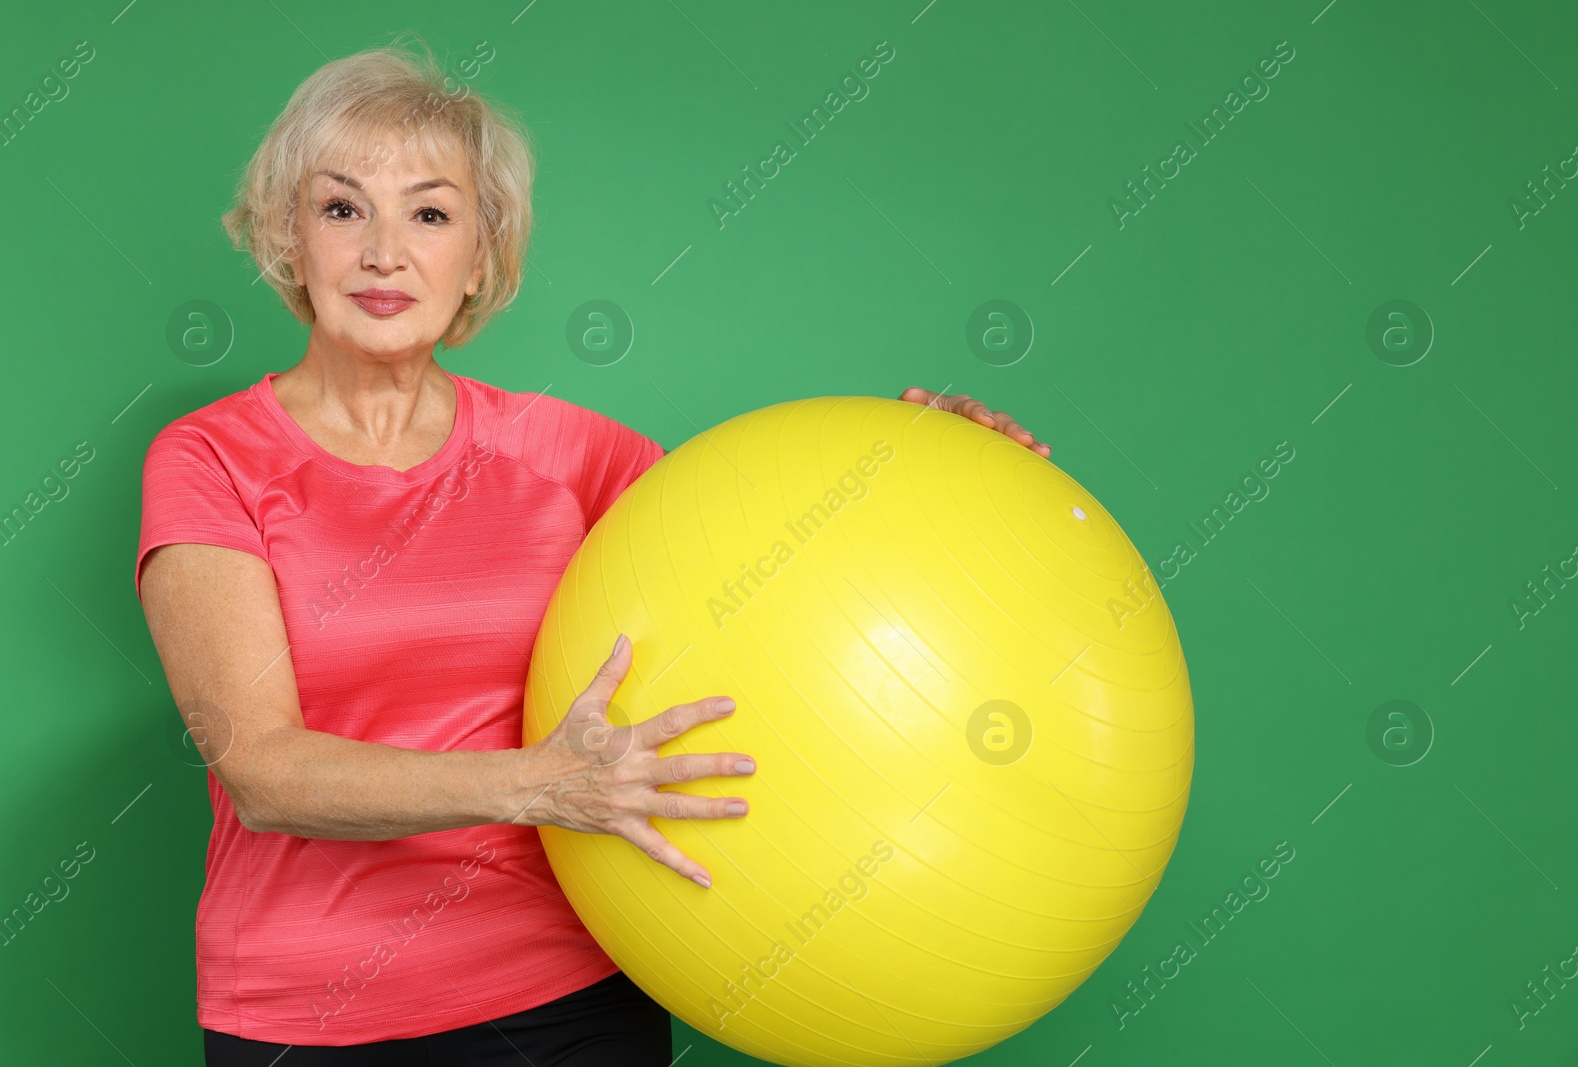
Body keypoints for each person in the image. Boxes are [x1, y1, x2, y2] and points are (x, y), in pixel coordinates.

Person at [135, 38, 1050, 1066]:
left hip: (571, 997)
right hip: (309, 1020)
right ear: (286, 237)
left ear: (481, 256)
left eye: (430, 213)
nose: (383, 251)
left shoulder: (569, 452)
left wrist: (937, 471)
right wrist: (538, 783)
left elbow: (778, 568)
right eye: (342, 207)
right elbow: (263, 769)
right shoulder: (211, 454)